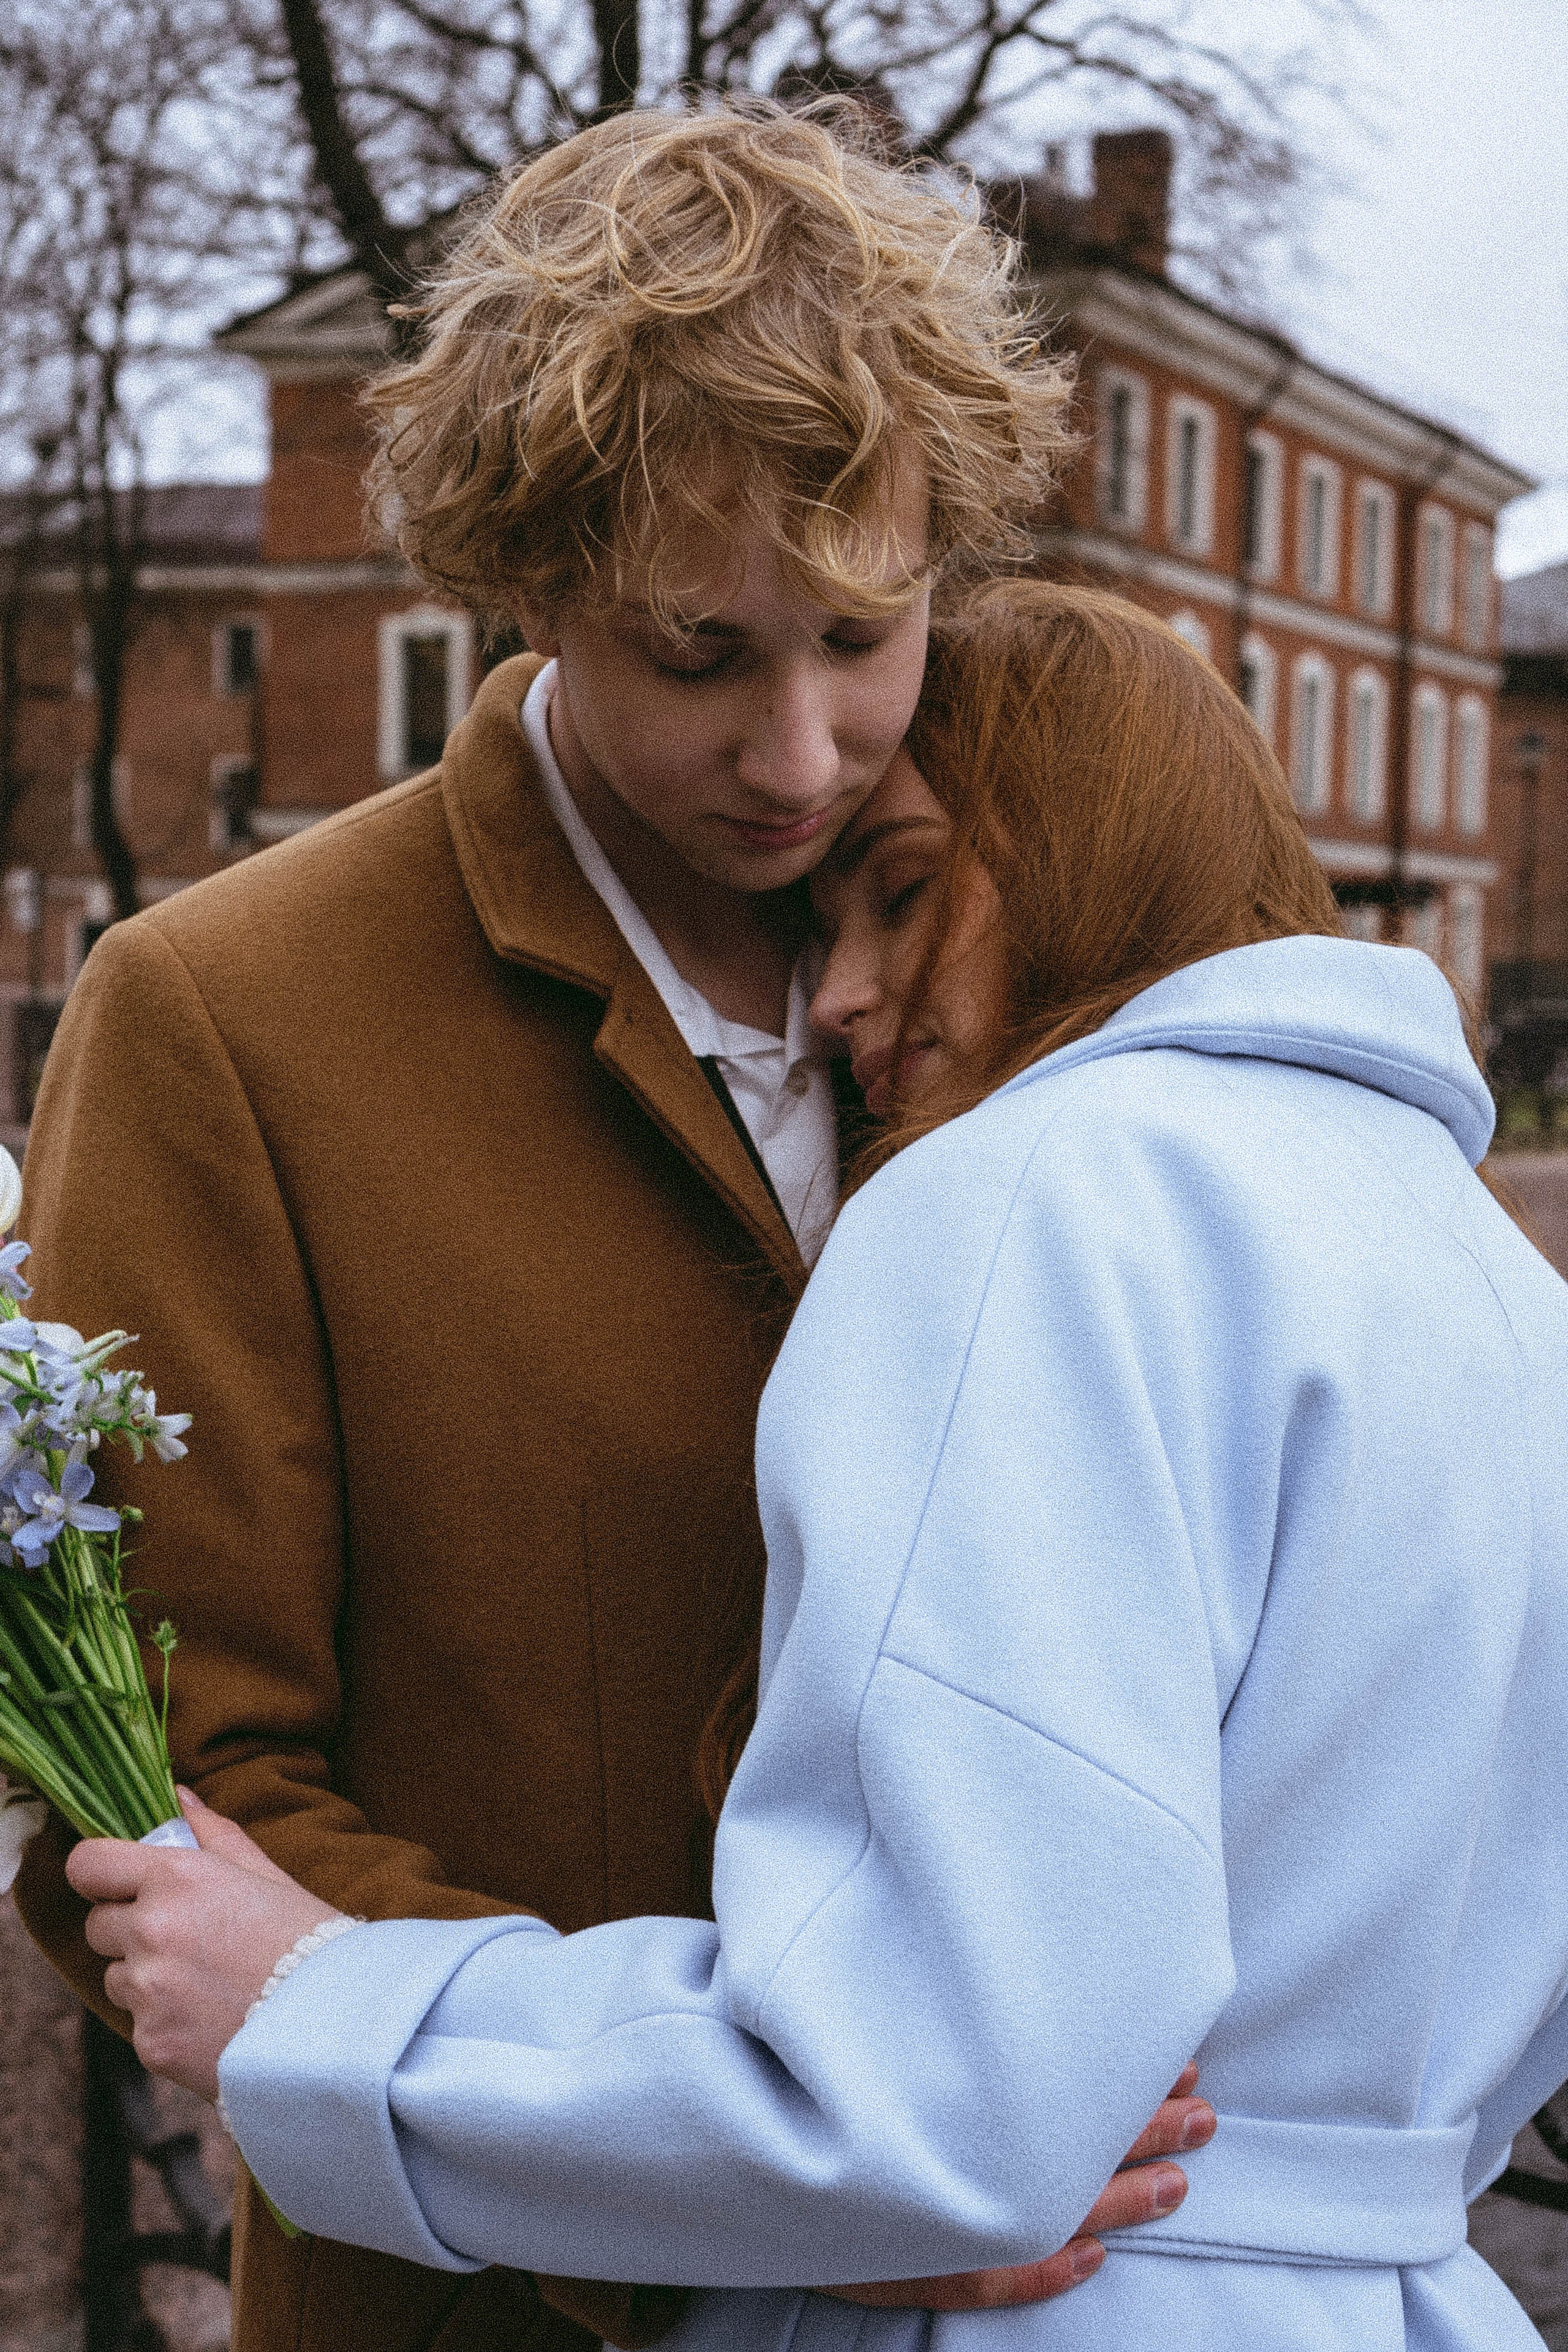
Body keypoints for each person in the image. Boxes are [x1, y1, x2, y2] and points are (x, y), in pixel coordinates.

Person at [16, 111, 1204, 2352]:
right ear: (528, 580)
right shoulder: (221, 1015)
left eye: (867, 630)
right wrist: (762, 2172)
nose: (805, 747)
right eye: (696, 651)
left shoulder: (1060, 950)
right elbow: (157, 1806)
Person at [72, 581, 1568, 2352]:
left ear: (1099, 850)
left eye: (910, 892)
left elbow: (913, 2105)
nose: (843, 990)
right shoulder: (1500, 1284)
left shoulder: (1024, 1190)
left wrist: (324, 2009)